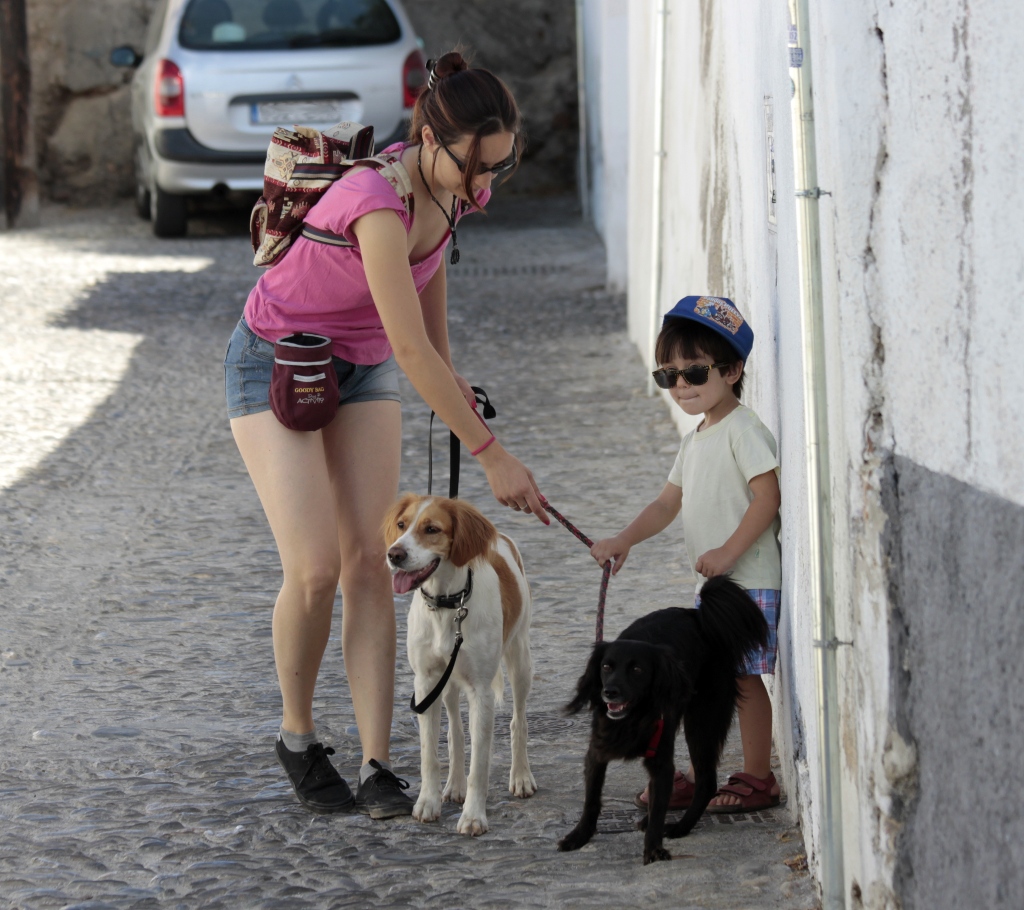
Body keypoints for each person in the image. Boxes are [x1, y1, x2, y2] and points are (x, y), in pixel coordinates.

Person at [224, 50, 549, 820]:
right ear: (432, 138)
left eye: (497, 170)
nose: (486, 189)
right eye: (477, 168)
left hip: (360, 369)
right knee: (314, 569)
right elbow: (411, 349)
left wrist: (456, 383)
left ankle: (377, 765)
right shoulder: (376, 200)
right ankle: (298, 737)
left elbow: (426, 339)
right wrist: (490, 452)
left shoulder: (449, 199)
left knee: (373, 562)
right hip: (274, 362)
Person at [590, 295, 782, 813]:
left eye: (694, 373)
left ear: (733, 369)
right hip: (718, 587)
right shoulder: (694, 439)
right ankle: (701, 775)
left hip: (750, 579)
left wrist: (728, 550)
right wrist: (623, 539)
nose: (682, 387)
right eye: (669, 376)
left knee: (742, 678)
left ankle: (759, 776)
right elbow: (665, 502)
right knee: (711, 682)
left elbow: (769, 498)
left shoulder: (744, 431)